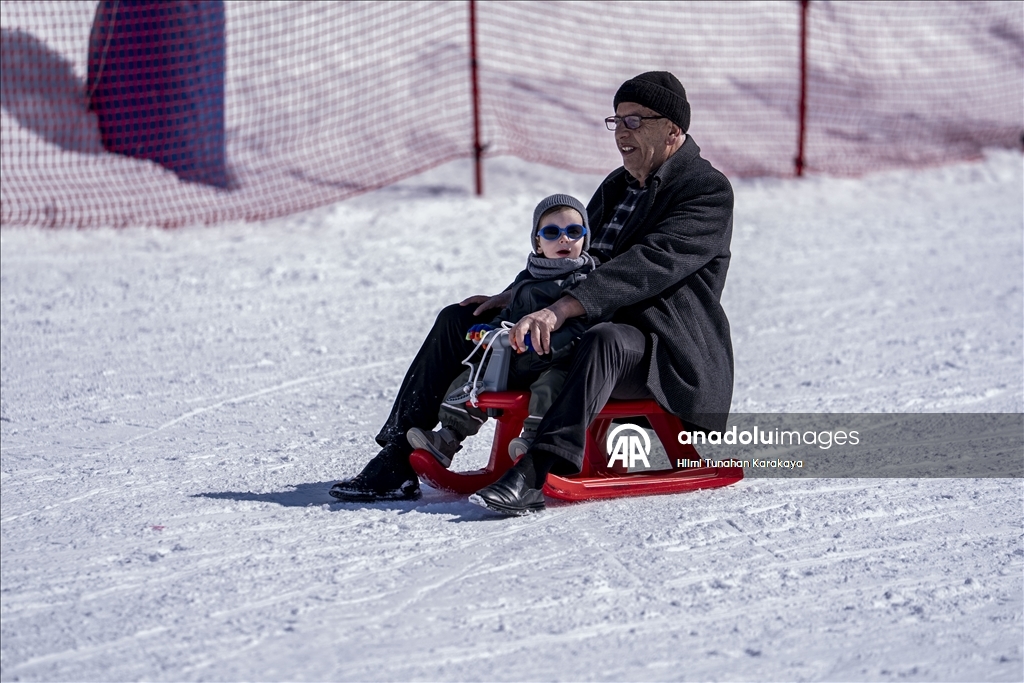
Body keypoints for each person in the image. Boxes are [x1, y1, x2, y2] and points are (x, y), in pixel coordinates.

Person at [330, 71, 734, 516]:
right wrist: (516, 295)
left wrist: (560, 309)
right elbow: (573, 258)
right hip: (586, 326)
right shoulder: (618, 186)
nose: (621, 132)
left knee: (607, 340)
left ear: (673, 129)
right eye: (617, 121)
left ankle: (540, 469)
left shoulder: (706, 191)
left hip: (661, 349)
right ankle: (398, 457)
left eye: (635, 121)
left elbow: (647, 266)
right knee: (458, 320)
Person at [406, 194, 597, 469]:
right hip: (515, 360)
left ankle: (535, 440)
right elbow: (511, 315)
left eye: (574, 232)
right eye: (553, 232)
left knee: (551, 387)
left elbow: (584, 326)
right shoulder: (526, 279)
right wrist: (489, 331)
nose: (564, 239)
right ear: (538, 243)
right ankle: (448, 437)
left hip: (554, 362)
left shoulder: (584, 283)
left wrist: (549, 344)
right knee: (471, 380)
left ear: (584, 239)